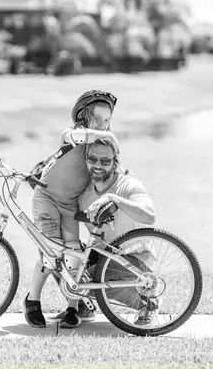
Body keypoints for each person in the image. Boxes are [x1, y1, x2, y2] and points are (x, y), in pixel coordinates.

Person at [23, 90, 120, 328]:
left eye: (107, 121)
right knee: (51, 252)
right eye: (99, 119)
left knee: (73, 256)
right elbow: (74, 135)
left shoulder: (99, 147)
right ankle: (32, 300)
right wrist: (107, 135)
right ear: (84, 115)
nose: (104, 125)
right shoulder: (72, 135)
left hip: (69, 205)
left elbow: (108, 170)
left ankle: (72, 308)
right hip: (46, 196)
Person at [40, 137, 158, 328]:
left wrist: (115, 199)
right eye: (92, 159)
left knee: (91, 279)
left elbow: (150, 216)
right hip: (105, 252)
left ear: (115, 162)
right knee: (55, 253)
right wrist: (49, 224)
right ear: (86, 159)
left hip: (136, 259)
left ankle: (148, 302)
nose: (98, 165)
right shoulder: (84, 194)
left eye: (105, 161)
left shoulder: (128, 185)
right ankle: (83, 307)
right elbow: (64, 215)